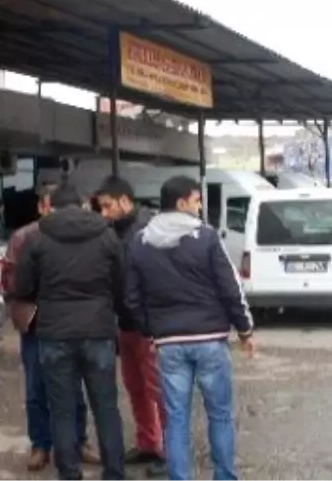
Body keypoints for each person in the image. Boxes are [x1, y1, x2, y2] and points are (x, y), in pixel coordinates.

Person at [125, 175, 255, 481]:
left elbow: (131, 298)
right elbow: (229, 287)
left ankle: (179, 478)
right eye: (197, 201)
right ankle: (224, 476)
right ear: (182, 202)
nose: (200, 207)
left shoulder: (141, 241)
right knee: (220, 414)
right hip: (210, 340)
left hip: (169, 343)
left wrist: (152, 331)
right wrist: (245, 329)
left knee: (177, 418)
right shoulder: (207, 237)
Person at [14, 184, 128, 481]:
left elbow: (23, 287)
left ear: (51, 205)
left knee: (61, 409)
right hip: (98, 331)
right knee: (106, 407)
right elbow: (122, 284)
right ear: (81, 205)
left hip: (55, 334)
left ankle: (69, 474)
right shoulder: (106, 235)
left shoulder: (37, 238)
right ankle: (114, 473)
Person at [2, 184, 98, 472]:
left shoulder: (82, 236)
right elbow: (9, 281)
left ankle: (78, 442)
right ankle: (40, 445)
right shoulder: (23, 237)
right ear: (42, 208)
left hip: (70, 324)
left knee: (74, 387)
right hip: (36, 324)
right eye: (51, 207)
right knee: (36, 388)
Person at [95, 176, 166, 475]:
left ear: (125, 201)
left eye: (108, 206)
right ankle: (149, 442)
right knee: (136, 388)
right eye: (101, 207)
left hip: (149, 326)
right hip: (125, 325)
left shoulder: (149, 233)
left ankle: (170, 452)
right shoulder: (114, 232)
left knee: (159, 391)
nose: (104, 213)